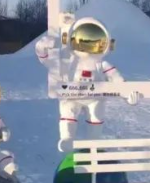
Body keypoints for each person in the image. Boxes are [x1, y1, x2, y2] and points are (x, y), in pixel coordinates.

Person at [35, 16, 139, 152]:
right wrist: (42, 49)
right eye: (82, 40)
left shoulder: (101, 64)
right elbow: (50, 62)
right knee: (68, 113)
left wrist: (128, 94)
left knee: (96, 118)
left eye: (96, 41)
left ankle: (93, 145)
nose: (88, 46)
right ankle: (67, 139)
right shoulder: (67, 59)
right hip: (72, 95)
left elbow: (117, 80)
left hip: (95, 98)